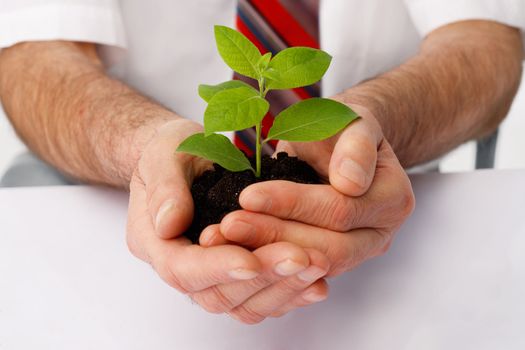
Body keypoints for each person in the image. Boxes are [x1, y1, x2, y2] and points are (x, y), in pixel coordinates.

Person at [0, 0, 523, 324]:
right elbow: (33, 57)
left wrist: (371, 119)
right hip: (118, 199)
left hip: (386, 196)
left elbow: (486, 42)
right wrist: (145, 144)